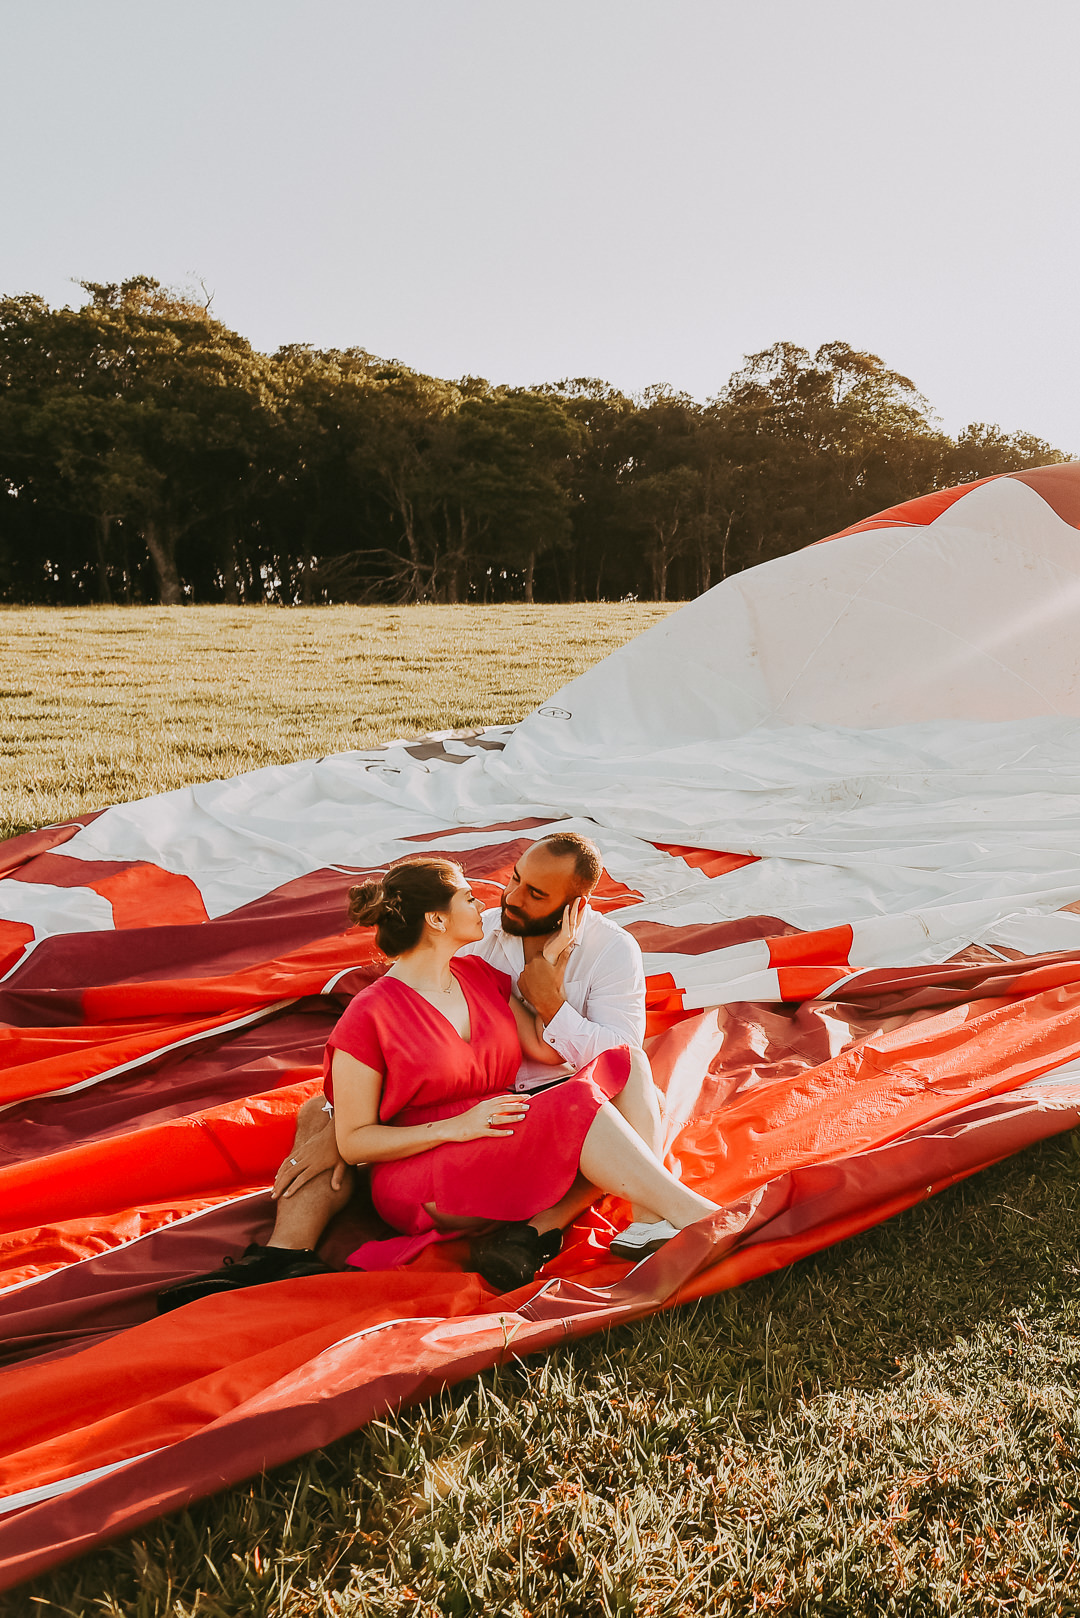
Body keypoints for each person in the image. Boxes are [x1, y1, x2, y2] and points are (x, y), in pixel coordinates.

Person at [159, 854, 715, 1310]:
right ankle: (696, 1217)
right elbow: (356, 1138)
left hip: (500, 1123)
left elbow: (560, 1051)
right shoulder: (371, 1013)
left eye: (527, 892)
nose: (496, 900)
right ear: (438, 921)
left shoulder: (486, 975)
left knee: (613, 1076)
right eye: (472, 898)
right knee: (319, 1114)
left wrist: (548, 974)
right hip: (425, 1159)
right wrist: (453, 1126)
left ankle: (644, 1218)